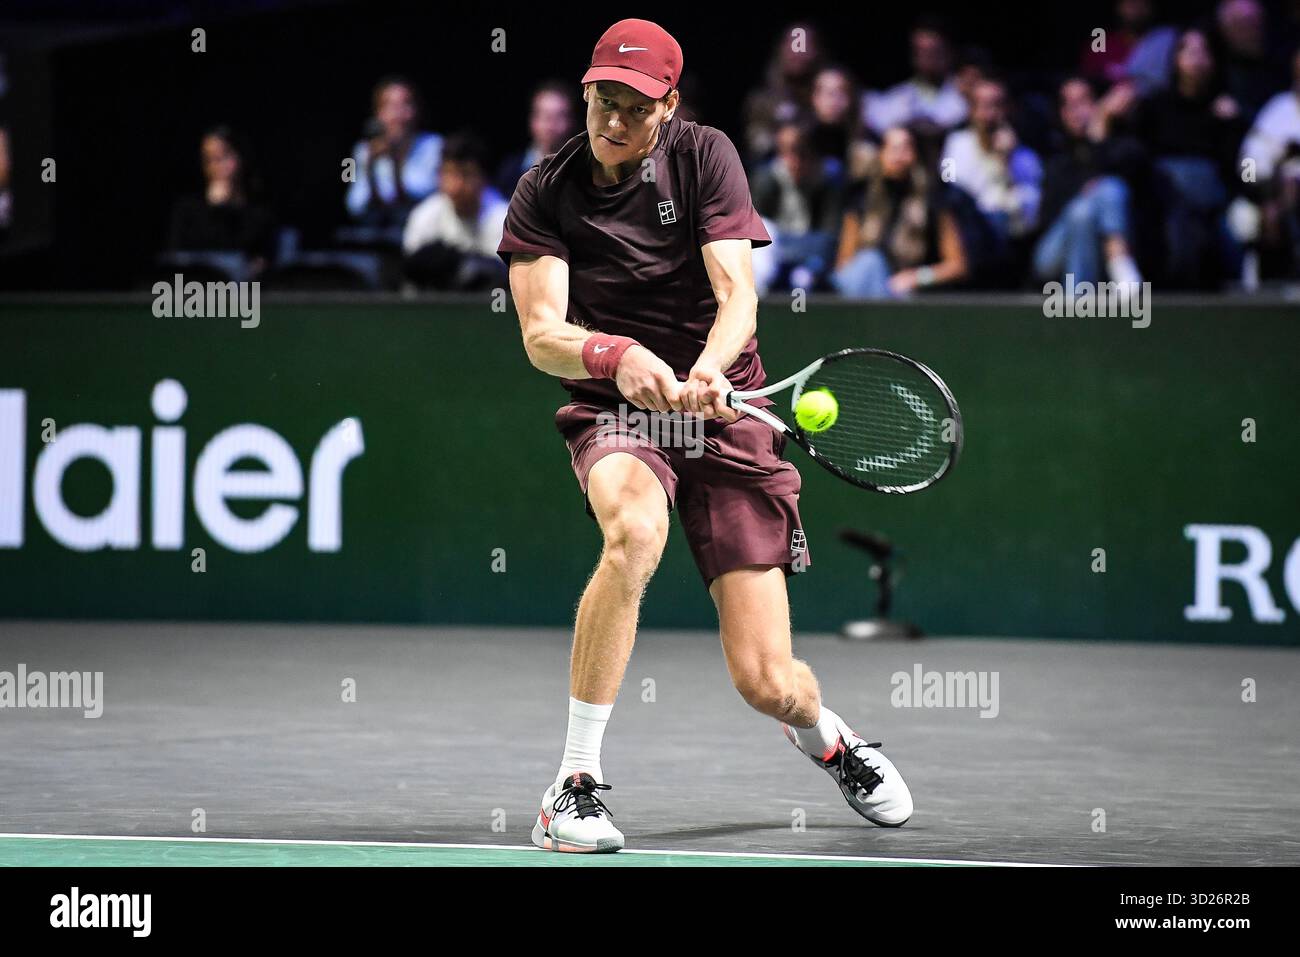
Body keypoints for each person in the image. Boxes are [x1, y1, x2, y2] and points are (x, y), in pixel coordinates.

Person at [498, 18, 913, 854]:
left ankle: (829, 737)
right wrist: (617, 356)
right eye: (600, 101)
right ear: (584, 93)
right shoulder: (545, 190)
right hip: (617, 406)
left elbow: (739, 296)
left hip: (726, 406)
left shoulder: (707, 155)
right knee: (634, 530)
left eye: (633, 107)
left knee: (768, 683)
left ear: (669, 106)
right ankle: (571, 787)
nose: (612, 121)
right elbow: (542, 333)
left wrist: (712, 371)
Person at [1033, 78, 1145, 288]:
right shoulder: (1055, 153)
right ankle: (1117, 257)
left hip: (1105, 248)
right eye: (1069, 105)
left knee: (1109, 188)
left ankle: (1080, 297)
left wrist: (1098, 136)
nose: (1077, 112)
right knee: (1082, 209)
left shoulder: (1124, 146)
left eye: (1084, 102)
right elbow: (1047, 218)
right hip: (1054, 252)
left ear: (1098, 105)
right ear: (1061, 113)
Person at [833, 126, 968, 297]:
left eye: (906, 148)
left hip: (910, 296)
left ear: (916, 154)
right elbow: (844, 265)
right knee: (870, 261)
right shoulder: (860, 198)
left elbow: (957, 266)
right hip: (865, 291)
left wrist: (917, 277)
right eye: (893, 148)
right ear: (880, 153)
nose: (899, 155)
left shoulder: (933, 198)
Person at [940, 77, 1043, 242]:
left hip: (1009, 237)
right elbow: (946, 185)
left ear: (1008, 109)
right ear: (971, 111)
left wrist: (1006, 162)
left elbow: (1030, 216)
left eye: (997, 106)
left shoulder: (1026, 157)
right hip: (966, 231)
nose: (990, 115)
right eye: (984, 106)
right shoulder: (954, 144)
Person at [403, 133, 508, 291]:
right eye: (449, 173)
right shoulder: (424, 216)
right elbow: (411, 281)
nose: (456, 184)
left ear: (483, 178)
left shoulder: (506, 220)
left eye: (466, 174)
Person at [167, 126, 276, 273]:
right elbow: (178, 257)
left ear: (241, 156)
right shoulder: (187, 209)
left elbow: (262, 259)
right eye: (209, 159)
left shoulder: (260, 212)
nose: (217, 166)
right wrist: (214, 209)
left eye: (224, 156)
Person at [749, 120, 844, 290]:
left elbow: (828, 240)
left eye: (801, 153)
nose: (794, 161)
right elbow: (754, 233)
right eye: (786, 153)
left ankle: (798, 313)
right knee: (762, 253)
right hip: (773, 254)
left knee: (802, 280)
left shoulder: (826, 184)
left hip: (808, 259)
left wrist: (790, 247)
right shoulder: (766, 180)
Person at [344, 76, 442, 231]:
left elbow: (427, 198)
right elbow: (354, 205)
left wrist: (396, 165)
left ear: (417, 110)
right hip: (374, 236)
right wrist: (370, 170)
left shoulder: (434, 146)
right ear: (378, 113)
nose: (398, 115)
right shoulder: (363, 150)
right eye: (390, 106)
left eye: (406, 104)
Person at [862, 17, 968, 141]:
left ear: (950, 52)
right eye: (921, 51)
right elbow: (879, 123)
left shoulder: (965, 94)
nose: (928, 59)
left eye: (934, 51)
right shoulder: (897, 96)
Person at [495, 81, 577, 200]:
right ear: (532, 120)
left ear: (572, 122)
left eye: (560, 116)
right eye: (545, 116)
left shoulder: (582, 171)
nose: (551, 125)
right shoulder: (510, 171)